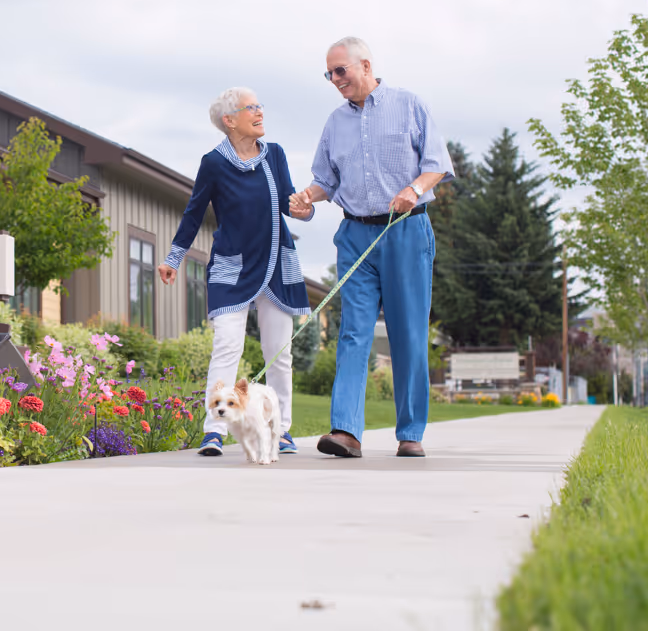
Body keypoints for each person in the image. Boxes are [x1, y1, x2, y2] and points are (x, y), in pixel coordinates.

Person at [289, 37, 453, 458]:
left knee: (408, 335)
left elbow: (437, 162)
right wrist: (307, 197)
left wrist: (414, 189)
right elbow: (326, 181)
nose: (335, 80)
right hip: (356, 235)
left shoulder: (408, 105)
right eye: (329, 74)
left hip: (406, 231)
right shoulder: (334, 123)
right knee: (353, 333)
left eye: (340, 71)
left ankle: (410, 433)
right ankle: (345, 431)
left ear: (365, 65)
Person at [158, 87, 313, 457]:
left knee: (279, 353)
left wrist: (304, 210)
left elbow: (291, 203)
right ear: (230, 120)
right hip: (232, 267)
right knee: (227, 345)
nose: (260, 112)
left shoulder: (274, 155)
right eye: (251, 108)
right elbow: (194, 212)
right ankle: (214, 429)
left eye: (261, 105)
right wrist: (173, 258)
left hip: (276, 265)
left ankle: (281, 429)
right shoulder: (213, 162)